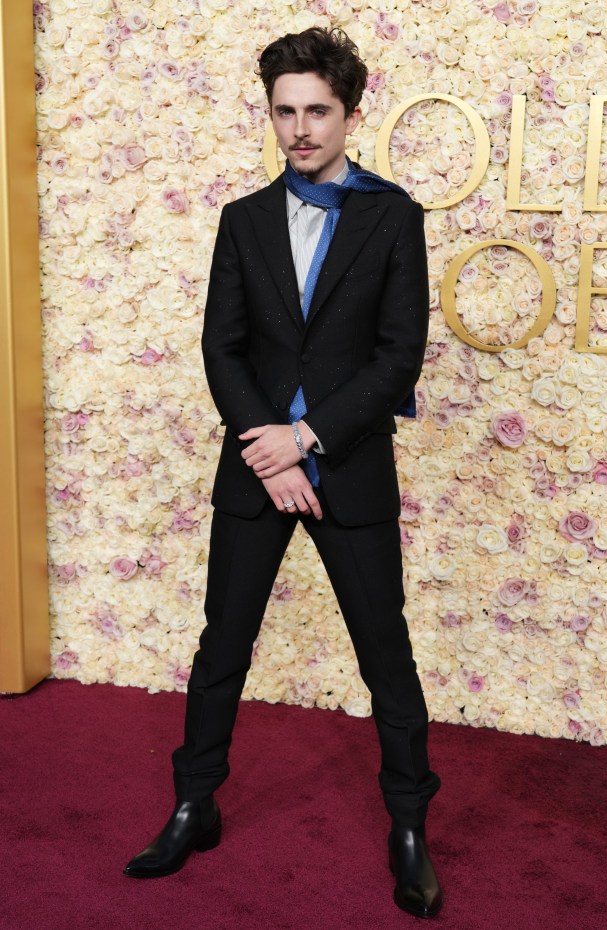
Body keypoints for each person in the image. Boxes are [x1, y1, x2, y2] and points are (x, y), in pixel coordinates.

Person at [124, 26, 442, 919]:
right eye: (285, 112)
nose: (300, 129)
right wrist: (267, 445)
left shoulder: (394, 215)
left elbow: (398, 357)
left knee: (388, 656)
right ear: (270, 114)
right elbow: (221, 347)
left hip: (344, 467)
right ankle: (193, 805)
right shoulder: (243, 220)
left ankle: (410, 827)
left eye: (317, 111)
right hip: (255, 470)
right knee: (222, 644)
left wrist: (302, 440)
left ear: (349, 113)